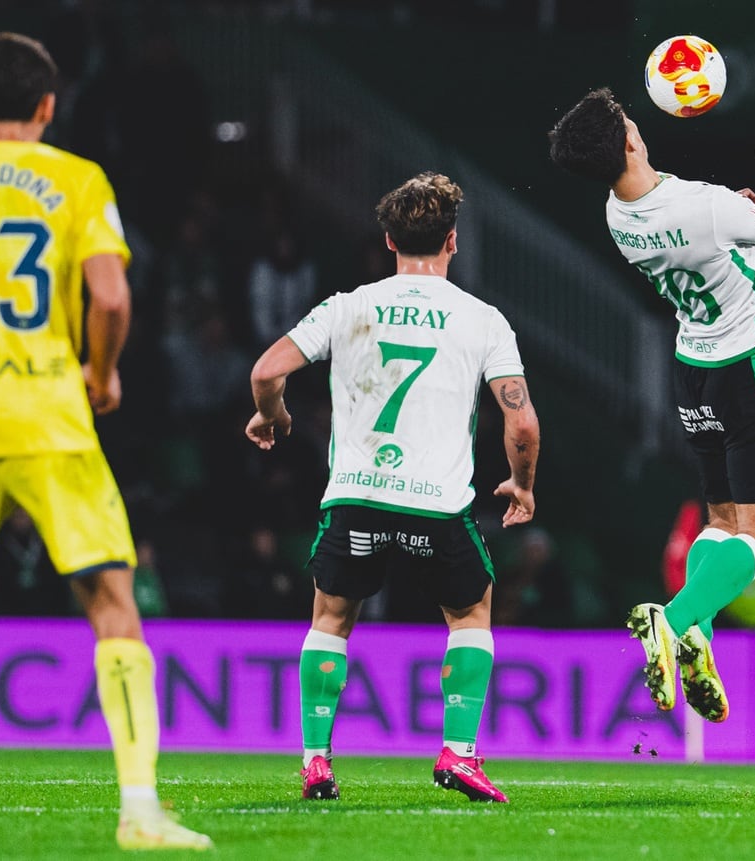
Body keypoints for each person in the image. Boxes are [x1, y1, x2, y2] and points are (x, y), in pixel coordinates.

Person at [0, 33, 213, 851]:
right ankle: (141, 810)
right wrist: (103, 370)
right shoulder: (76, 178)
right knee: (113, 603)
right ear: (49, 106)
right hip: (47, 410)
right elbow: (111, 296)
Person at [548, 88, 755, 723]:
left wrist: (735, 214)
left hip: (694, 371)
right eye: (627, 119)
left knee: (723, 520)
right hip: (751, 367)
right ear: (629, 140)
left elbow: (703, 230)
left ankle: (697, 634)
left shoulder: (618, 214)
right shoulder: (701, 207)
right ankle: (674, 619)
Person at [245, 171, 539, 804]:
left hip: (356, 494)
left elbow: (266, 371)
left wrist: (273, 416)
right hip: (436, 503)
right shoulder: (483, 319)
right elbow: (521, 421)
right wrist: (521, 484)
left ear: (388, 240)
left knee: (331, 619)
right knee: (470, 615)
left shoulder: (347, 306)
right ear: (453, 240)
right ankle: (458, 752)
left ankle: (316, 759)